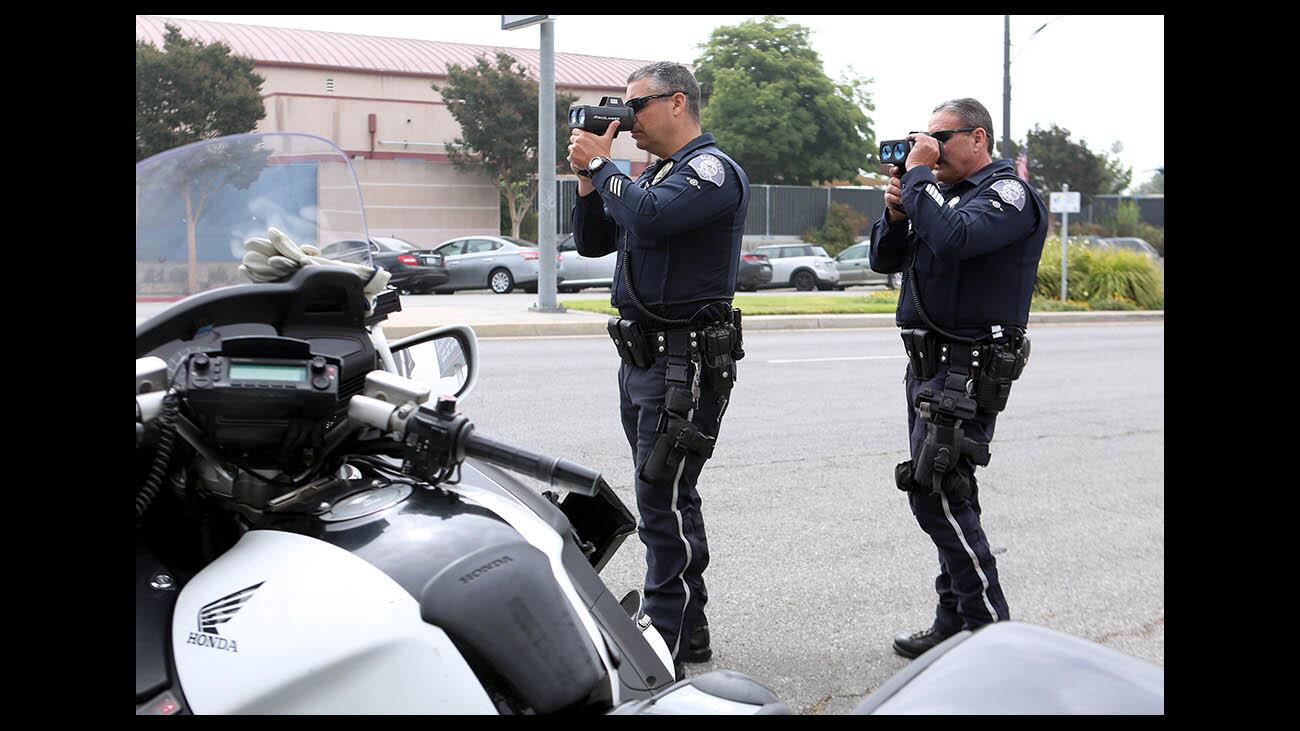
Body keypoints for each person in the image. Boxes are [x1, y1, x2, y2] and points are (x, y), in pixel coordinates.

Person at [567, 61, 749, 680]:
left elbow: (646, 218)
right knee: (672, 492)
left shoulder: (709, 170)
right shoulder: (656, 176)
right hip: (645, 357)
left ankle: (663, 636)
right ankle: (690, 624)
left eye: (635, 107)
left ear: (677, 103)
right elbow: (593, 241)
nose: (626, 121)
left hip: (685, 362)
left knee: (658, 494)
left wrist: (602, 165)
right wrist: (589, 181)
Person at [868, 98, 1047, 659]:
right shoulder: (941, 196)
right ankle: (953, 618)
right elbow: (883, 260)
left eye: (941, 138)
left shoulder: (1007, 194)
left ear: (979, 138)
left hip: (968, 366)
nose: (930, 148)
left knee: (935, 491)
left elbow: (958, 240)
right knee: (951, 491)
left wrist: (919, 179)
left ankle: (995, 635)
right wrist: (898, 212)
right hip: (928, 363)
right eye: (926, 138)